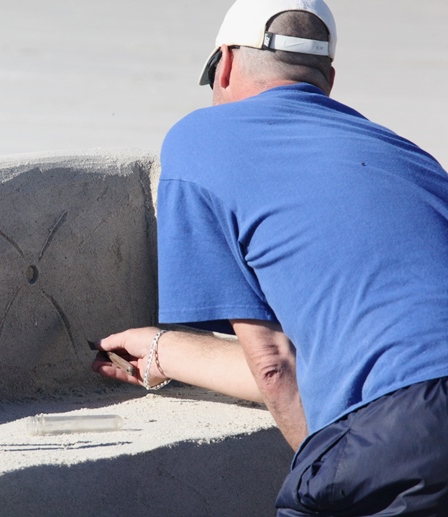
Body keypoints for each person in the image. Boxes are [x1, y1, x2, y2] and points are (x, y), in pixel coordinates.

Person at [91, 0, 448, 514]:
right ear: (327, 78)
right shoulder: (410, 155)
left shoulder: (200, 138)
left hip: (404, 432)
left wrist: (322, 473)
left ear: (227, 63)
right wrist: (162, 351)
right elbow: (325, 362)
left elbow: (274, 367)